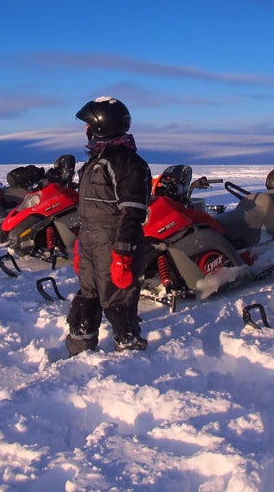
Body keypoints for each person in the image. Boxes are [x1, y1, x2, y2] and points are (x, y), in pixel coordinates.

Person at [65, 96, 153, 356]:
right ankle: (80, 351)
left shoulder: (128, 163)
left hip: (114, 245)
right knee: (87, 298)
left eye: (88, 124)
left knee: (118, 303)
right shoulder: (96, 160)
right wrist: (81, 243)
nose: (86, 129)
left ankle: (129, 357)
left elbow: (133, 212)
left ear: (101, 125)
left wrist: (123, 253)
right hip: (92, 242)